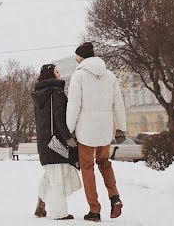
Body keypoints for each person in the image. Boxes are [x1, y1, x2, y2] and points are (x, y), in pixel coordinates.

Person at [65, 42, 127, 222]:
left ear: (81, 57)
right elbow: (118, 103)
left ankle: (94, 209)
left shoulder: (79, 76)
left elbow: (74, 105)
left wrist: (69, 131)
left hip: (86, 131)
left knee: (87, 167)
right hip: (105, 130)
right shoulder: (110, 76)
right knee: (104, 162)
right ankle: (114, 196)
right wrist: (121, 128)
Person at [32, 63, 81, 220]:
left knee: (51, 174)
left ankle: (41, 206)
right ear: (51, 75)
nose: (60, 74)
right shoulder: (57, 93)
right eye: (57, 72)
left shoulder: (38, 94)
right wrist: (68, 138)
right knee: (58, 176)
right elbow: (60, 118)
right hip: (57, 141)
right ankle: (59, 212)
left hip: (44, 141)